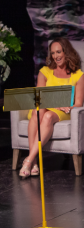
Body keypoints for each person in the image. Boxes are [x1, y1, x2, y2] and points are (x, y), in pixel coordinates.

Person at [20, 37, 84, 178]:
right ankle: (34, 161)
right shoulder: (45, 72)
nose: (55, 56)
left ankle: (29, 160)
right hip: (46, 106)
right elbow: (39, 97)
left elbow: (79, 103)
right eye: (53, 53)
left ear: (66, 52)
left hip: (65, 111)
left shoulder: (78, 75)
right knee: (39, 111)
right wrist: (56, 102)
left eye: (58, 52)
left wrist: (65, 106)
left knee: (48, 116)